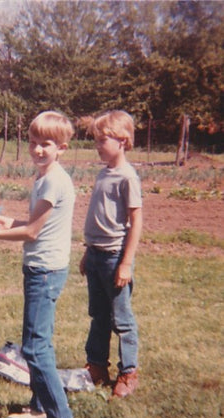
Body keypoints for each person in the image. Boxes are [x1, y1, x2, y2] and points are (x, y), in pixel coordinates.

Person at [0, 111, 81, 418]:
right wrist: (5, 221)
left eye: (45, 144)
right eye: (33, 142)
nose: (37, 149)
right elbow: (33, 223)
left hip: (44, 271)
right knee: (37, 340)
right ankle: (39, 407)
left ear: (62, 147)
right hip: (45, 267)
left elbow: (31, 232)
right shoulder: (48, 177)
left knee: (35, 347)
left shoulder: (52, 181)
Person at [79, 110, 142, 398]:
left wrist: (126, 263)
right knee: (98, 315)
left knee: (122, 319)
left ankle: (128, 372)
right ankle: (96, 367)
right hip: (95, 255)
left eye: (102, 140)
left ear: (123, 141)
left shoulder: (127, 177)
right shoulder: (103, 173)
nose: (97, 145)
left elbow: (135, 222)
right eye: (96, 140)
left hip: (115, 257)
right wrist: (87, 253)